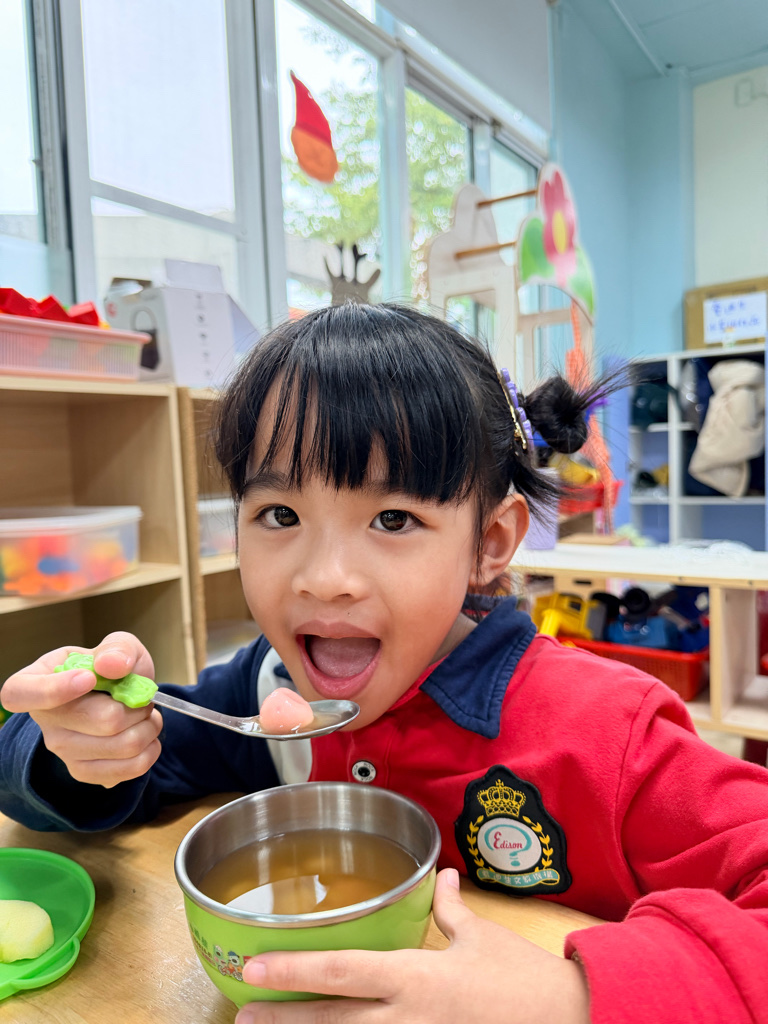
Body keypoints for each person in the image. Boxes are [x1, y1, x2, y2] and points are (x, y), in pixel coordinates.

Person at [1, 302, 767, 1024]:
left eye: (393, 519)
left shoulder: (611, 734)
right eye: (279, 514)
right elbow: (82, 779)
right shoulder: (265, 691)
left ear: (490, 544)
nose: (324, 577)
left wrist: (570, 997)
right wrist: (79, 742)